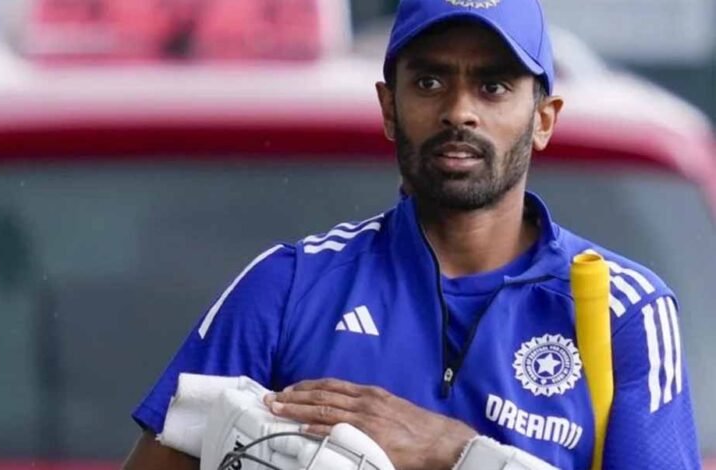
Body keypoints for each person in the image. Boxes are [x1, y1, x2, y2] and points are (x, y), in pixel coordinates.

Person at [123, 0, 701, 468]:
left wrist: (454, 452)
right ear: (388, 107)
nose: (459, 111)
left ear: (543, 118)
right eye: (429, 81)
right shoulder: (288, 287)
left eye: (493, 87)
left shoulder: (625, 312)